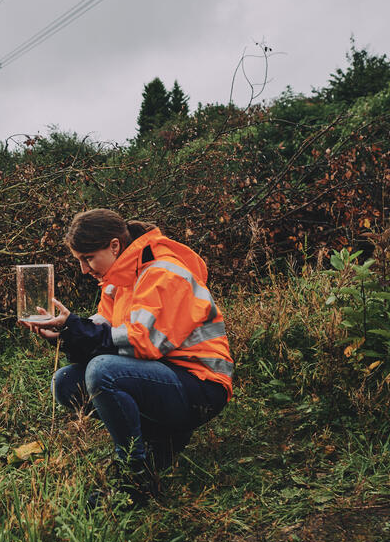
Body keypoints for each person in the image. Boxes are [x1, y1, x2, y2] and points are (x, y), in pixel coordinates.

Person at [20, 208, 232, 506]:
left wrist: (76, 328)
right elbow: (103, 330)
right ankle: (161, 442)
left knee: (103, 371)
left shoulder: (162, 272)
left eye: (88, 258)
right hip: (162, 377)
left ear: (115, 246)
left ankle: (134, 481)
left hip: (200, 387)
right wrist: (64, 332)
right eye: (80, 260)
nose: (84, 269)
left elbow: (143, 342)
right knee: (66, 382)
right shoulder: (118, 281)